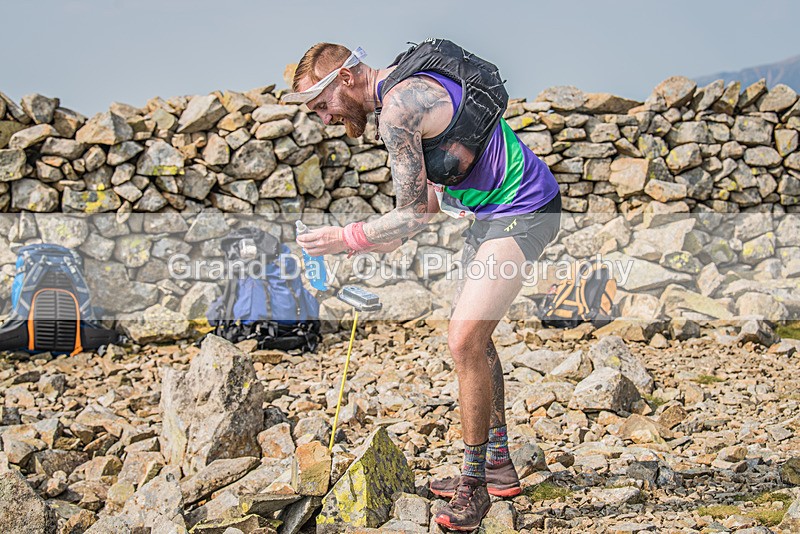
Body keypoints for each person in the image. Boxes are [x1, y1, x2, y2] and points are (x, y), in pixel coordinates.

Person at [283, 40, 561, 531]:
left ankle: (473, 490)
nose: (323, 118)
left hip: (526, 209)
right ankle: (496, 464)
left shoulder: (398, 110)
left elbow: (409, 216)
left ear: (345, 79)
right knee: (476, 340)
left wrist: (347, 235)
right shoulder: (405, 91)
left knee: (464, 338)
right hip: (491, 213)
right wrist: (354, 247)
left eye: (320, 105)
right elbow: (424, 209)